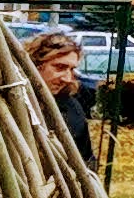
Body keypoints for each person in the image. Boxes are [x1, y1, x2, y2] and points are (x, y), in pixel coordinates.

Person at [27, 29, 94, 166]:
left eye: (71, 69)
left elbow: (86, 159)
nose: (67, 78)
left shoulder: (72, 108)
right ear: (36, 64)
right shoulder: (13, 102)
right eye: (60, 67)